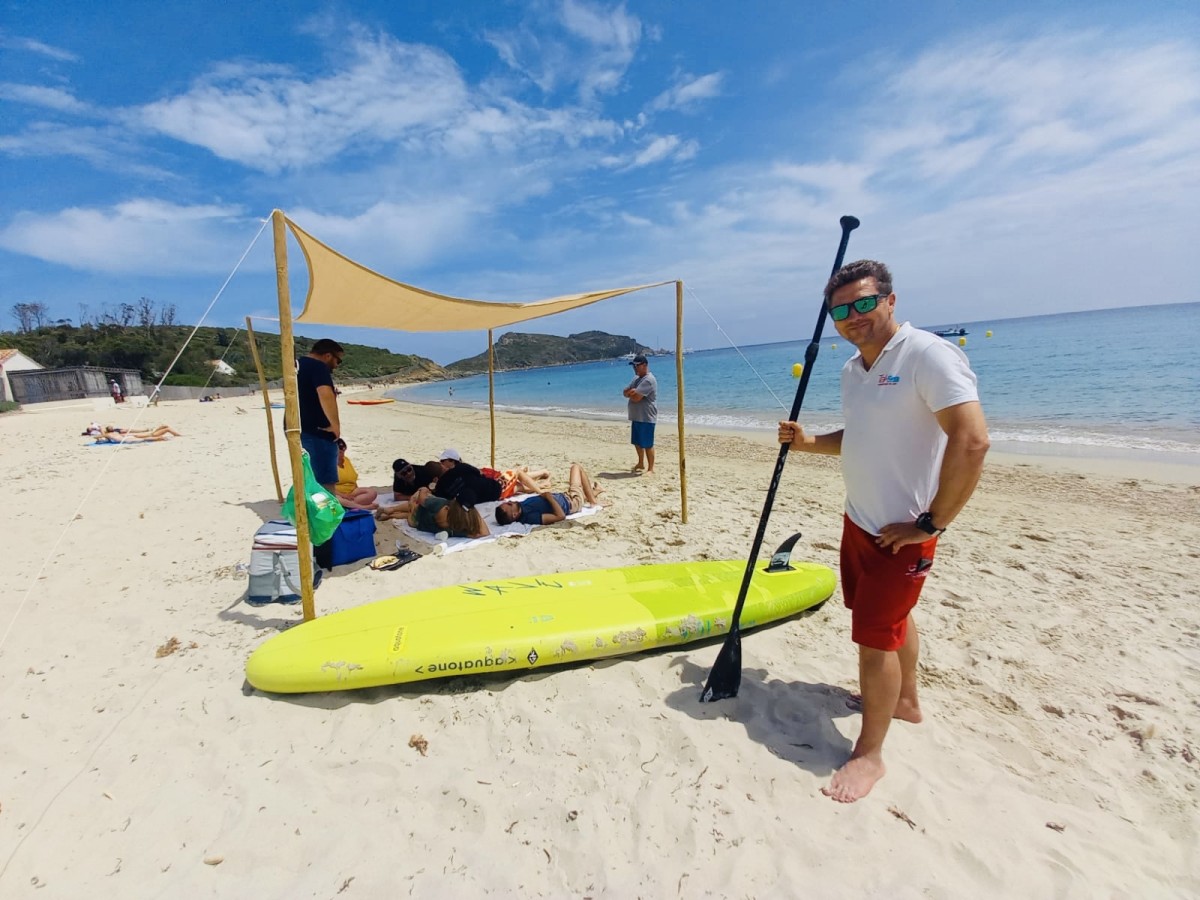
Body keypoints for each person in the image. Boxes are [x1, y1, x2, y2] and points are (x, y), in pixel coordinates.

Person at [777, 259, 989, 804]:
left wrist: (931, 524)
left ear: (891, 300)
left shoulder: (927, 355)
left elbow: (971, 441)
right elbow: (863, 434)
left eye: (864, 303)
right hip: (861, 520)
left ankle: (870, 755)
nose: (854, 316)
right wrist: (810, 443)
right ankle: (907, 701)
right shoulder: (854, 368)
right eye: (841, 309)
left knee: (873, 645)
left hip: (902, 533)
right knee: (892, 623)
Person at [296, 338, 344, 493]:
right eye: (338, 361)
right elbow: (325, 394)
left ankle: (311, 513)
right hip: (317, 430)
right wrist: (335, 425)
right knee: (324, 481)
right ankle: (326, 516)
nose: (337, 366)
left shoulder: (297, 365)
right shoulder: (318, 367)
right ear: (328, 356)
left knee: (309, 475)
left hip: (298, 426)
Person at [494, 464, 603, 526]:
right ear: (514, 515)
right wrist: (549, 497)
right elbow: (560, 516)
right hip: (571, 502)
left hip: (564, 497)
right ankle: (593, 501)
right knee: (576, 467)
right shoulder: (530, 517)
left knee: (580, 490)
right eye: (509, 505)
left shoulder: (519, 507)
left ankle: (595, 491)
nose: (510, 501)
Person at [406, 487, 489, 539]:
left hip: (418, 521)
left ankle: (404, 509)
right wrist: (473, 511)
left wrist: (423, 489)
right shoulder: (463, 523)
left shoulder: (444, 507)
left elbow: (422, 500)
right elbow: (485, 533)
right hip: (421, 522)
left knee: (418, 503)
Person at [622, 354, 657, 473]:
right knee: (637, 442)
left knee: (648, 444)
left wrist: (633, 392)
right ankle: (641, 463)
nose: (635, 368)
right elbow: (625, 392)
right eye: (633, 366)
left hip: (646, 416)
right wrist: (632, 392)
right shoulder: (636, 379)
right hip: (636, 416)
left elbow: (637, 397)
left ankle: (651, 468)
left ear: (644, 365)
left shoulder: (649, 380)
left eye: (637, 366)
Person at [334, 438, 378, 510]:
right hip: (338, 493)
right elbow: (328, 487)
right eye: (340, 450)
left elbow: (353, 479)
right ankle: (362, 507)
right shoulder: (329, 464)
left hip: (352, 492)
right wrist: (344, 496)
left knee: (372, 492)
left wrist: (355, 492)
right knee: (336, 498)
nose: (343, 452)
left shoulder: (346, 460)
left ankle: (348, 505)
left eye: (344, 449)